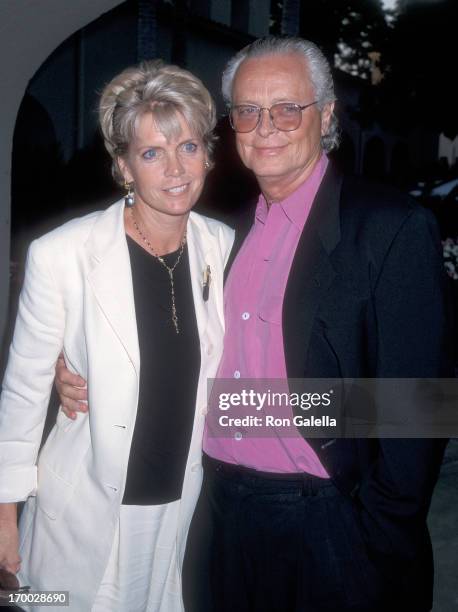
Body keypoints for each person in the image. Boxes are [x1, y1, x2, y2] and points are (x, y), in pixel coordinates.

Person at [56, 37, 454, 611]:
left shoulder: (391, 227)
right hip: (217, 516)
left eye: (287, 107)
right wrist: (80, 371)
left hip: (332, 525)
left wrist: (377, 535)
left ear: (327, 114)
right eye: (247, 110)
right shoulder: (219, 237)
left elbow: (419, 407)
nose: (266, 126)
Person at [0, 59, 234, 611]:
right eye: (152, 153)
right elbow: (23, 393)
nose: (175, 169)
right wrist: (5, 514)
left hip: (180, 509)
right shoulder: (62, 255)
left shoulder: (222, 246)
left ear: (208, 154)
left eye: (189, 148)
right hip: (85, 509)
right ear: (124, 167)